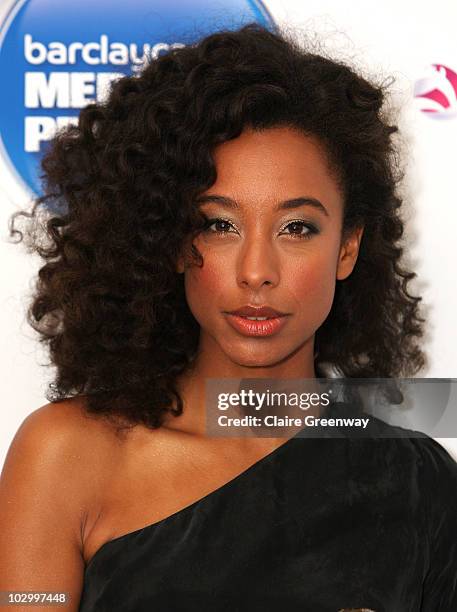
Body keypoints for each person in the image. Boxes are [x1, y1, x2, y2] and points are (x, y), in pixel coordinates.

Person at [1, 22, 456, 611]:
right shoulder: (66, 455)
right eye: (219, 224)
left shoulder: (416, 482)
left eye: (297, 228)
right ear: (170, 239)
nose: (256, 271)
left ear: (346, 248)